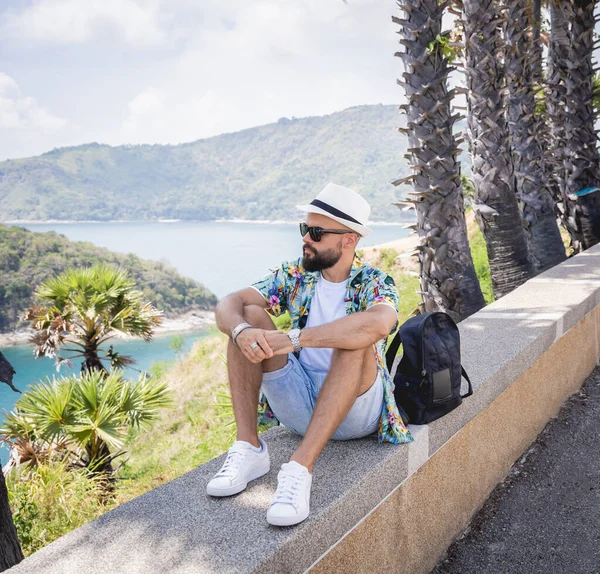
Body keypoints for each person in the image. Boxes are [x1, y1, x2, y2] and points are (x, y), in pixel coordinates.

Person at [208, 183, 413, 526]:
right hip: (300, 405)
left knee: (356, 337)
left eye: (316, 232)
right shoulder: (295, 275)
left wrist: (296, 339)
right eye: (305, 229)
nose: (306, 239)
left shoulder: (374, 282)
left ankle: (298, 469)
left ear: (348, 240)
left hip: (354, 412)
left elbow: (379, 324)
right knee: (248, 322)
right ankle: (249, 449)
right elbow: (230, 303)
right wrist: (242, 331)